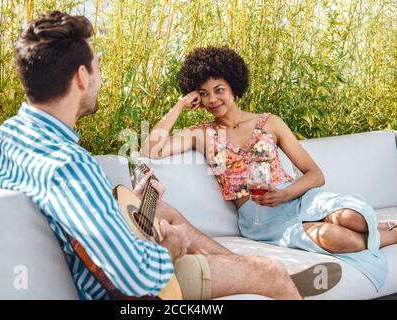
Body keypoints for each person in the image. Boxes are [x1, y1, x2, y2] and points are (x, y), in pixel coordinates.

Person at [0, 12, 326, 300]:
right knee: (273, 270)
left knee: (160, 210)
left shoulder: (9, 135)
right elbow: (138, 278)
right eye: (97, 65)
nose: (100, 75)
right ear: (82, 77)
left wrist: (129, 211)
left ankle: (242, 267)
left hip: (98, 259)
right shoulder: (69, 164)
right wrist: (173, 246)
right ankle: (263, 276)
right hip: (128, 294)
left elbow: (76, 213)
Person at [142, 46, 397, 292]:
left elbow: (315, 175)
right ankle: (389, 233)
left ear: (234, 86)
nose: (212, 99)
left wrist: (286, 194)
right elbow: (150, 149)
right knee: (340, 239)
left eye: (219, 89)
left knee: (352, 218)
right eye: (203, 93)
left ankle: (381, 227)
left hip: (296, 197)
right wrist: (179, 105)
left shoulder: (269, 122)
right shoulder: (202, 134)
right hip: (260, 216)